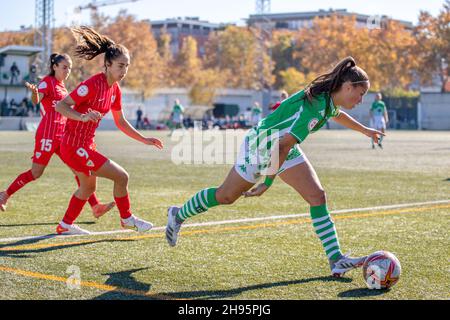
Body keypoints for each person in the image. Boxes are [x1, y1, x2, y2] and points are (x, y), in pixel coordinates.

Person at [165, 56, 385, 278]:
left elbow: (335, 116)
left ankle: (336, 259)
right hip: (261, 146)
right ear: (348, 87)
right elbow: (280, 148)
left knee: (317, 196)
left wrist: (366, 130)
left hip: (282, 146)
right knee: (226, 196)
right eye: (361, 93)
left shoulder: (327, 100)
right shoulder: (316, 108)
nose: (361, 99)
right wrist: (267, 183)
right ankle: (178, 214)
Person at [54, 26, 164, 235]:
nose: (124, 71)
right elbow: (61, 105)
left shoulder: (115, 90)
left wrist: (144, 139)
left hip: (85, 145)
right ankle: (127, 219)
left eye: (127, 66)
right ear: (107, 64)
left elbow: (121, 122)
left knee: (87, 188)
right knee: (122, 177)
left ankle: (64, 226)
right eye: (120, 66)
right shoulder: (92, 85)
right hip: (73, 145)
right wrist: (82, 116)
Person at [0, 53, 115, 218]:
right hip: (48, 134)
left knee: (79, 170)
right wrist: (34, 93)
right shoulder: (47, 82)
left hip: (63, 136)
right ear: (54, 67)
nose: (67, 71)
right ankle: (4, 194)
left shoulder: (62, 87)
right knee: (36, 173)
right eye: (64, 67)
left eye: (69, 68)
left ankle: (95, 206)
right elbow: (37, 99)